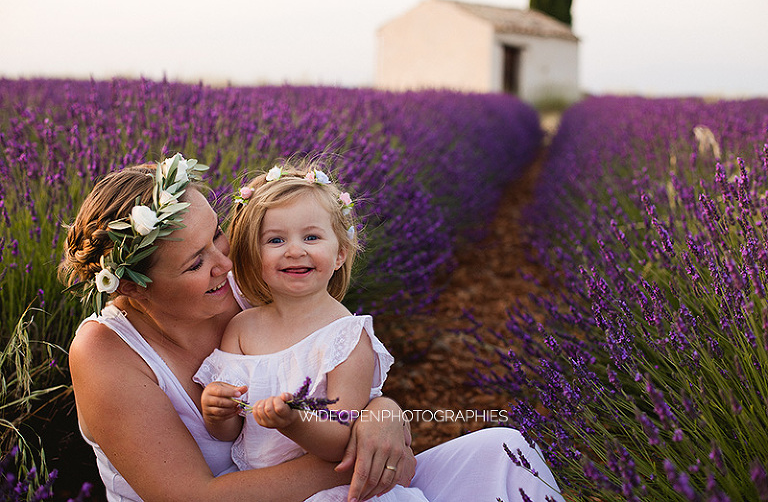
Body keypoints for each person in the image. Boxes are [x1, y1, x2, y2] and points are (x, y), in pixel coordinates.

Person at [60, 153, 565, 502]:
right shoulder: (107, 351)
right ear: (134, 290)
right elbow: (191, 496)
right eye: (195, 262)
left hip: (328, 484)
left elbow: (339, 357)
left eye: (217, 235)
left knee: (503, 453)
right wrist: (368, 462)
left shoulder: (244, 288)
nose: (225, 262)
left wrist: (381, 412)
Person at [193, 165, 429, 502]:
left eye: (311, 237)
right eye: (276, 240)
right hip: (261, 488)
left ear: (340, 254)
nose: (294, 250)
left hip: (330, 491)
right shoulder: (241, 328)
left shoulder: (345, 336)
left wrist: (293, 422)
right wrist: (216, 409)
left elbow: (341, 440)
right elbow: (233, 431)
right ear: (253, 255)